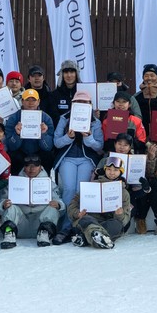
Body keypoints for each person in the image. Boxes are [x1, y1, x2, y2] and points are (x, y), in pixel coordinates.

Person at [52, 90, 104, 244]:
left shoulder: (95, 121)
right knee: (68, 189)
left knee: (81, 190)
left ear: (90, 105)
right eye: (78, 102)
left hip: (86, 159)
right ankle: (66, 227)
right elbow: (57, 142)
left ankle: (78, 226)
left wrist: (88, 138)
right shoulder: (64, 118)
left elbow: (99, 146)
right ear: (73, 104)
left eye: (85, 102)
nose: (81, 105)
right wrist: (68, 137)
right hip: (68, 158)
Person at [0, 155, 64, 249]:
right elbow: (1, 202)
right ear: (24, 167)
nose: (31, 169)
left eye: (35, 166)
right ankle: (9, 234)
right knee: (11, 207)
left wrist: (58, 205)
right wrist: (4, 204)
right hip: (20, 224)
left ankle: (44, 234)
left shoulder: (49, 183)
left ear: (40, 167)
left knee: (52, 208)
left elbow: (61, 204)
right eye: (28, 165)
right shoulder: (15, 183)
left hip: (40, 223)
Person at [66, 155, 131, 249]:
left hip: (107, 222)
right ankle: (99, 237)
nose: (112, 173)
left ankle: (85, 238)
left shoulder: (124, 192)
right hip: (88, 219)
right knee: (86, 220)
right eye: (109, 169)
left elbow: (125, 219)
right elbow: (73, 203)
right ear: (105, 170)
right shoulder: (92, 185)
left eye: (116, 170)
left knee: (117, 225)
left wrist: (119, 214)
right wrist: (77, 214)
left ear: (120, 172)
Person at [4, 88, 55, 173]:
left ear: (38, 101)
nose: (31, 103)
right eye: (27, 100)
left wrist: (43, 134)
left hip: (39, 152)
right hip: (21, 152)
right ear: (22, 101)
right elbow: (11, 146)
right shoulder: (13, 118)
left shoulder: (46, 118)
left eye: (33, 100)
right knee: (12, 156)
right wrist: (16, 134)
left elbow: (48, 147)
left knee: (48, 156)